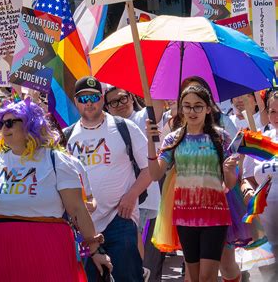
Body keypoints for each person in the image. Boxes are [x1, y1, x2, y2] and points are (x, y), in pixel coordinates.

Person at [0, 97, 112, 281]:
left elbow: (77, 209)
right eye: (1, 123)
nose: (4, 128)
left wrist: (95, 248)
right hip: (1, 246)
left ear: (29, 125)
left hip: (46, 245)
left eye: (10, 123)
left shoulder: (56, 159)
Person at [146, 85, 238, 282]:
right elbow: (155, 174)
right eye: (187, 106)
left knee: (207, 277)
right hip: (184, 215)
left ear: (207, 108)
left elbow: (229, 183)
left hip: (215, 214)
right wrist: (150, 143)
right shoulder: (173, 138)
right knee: (193, 277)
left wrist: (229, 171)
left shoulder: (221, 137)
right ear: (180, 109)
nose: (192, 111)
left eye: (198, 106)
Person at [65, 76, 150, 282]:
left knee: (128, 278)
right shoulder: (67, 136)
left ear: (102, 99)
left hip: (120, 218)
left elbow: (150, 169)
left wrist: (131, 196)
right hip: (85, 227)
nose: (89, 103)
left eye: (93, 97)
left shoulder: (124, 127)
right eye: (83, 99)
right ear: (76, 102)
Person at [104, 85, 164, 282]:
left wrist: (147, 77)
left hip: (143, 200)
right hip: (117, 204)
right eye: (113, 102)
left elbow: (157, 101)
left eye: (123, 98)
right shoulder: (107, 128)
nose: (120, 104)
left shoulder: (142, 118)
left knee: (135, 259)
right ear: (107, 107)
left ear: (131, 97)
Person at [242, 89, 278, 281]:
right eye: (272, 111)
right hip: (264, 228)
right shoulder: (261, 141)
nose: (276, 117)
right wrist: (247, 190)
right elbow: (246, 177)